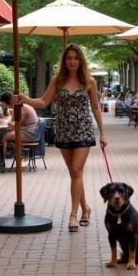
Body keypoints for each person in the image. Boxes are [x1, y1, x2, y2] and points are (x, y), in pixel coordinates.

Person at [16, 43, 106, 232]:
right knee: (75, 174)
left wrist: (103, 133)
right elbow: (43, 101)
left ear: (80, 60)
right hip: (64, 129)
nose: (72, 61)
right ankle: (85, 208)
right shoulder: (58, 80)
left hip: (83, 129)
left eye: (75, 58)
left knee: (76, 170)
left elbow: (96, 107)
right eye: (68, 58)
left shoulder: (89, 81)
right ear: (64, 61)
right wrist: (25, 99)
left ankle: (73, 215)